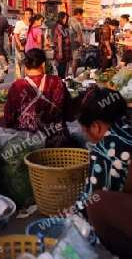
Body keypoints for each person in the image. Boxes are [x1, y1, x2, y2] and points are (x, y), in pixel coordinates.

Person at [72, 86, 132, 258]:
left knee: (96, 206)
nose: (86, 134)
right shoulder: (127, 128)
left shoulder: (104, 150)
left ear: (96, 126)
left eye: (85, 130)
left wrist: (73, 214)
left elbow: (95, 195)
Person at [0, 48, 75, 147]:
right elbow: (70, 116)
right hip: (58, 143)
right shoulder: (57, 82)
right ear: (43, 65)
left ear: (25, 67)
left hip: (27, 146)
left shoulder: (17, 86)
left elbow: (8, 119)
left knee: (0, 121)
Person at [13, 7, 33, 79]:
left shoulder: (32, 24)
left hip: (29, 45)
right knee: (18, 63)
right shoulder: (20, 23)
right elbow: (16, 35)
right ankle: (18, 80)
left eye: (29, 14)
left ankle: (26, 79)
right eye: (26, 14)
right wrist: (20, 45)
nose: (28, 16)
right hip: (20, 44)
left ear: (32, 15)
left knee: (27, 63)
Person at [54, 11, 72, 79]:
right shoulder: (59, 27)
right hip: (61, 51)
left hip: (65, 51)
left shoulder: (64, 27)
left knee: (63, 68)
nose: (65, 20)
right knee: (61, 69)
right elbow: (59, 40)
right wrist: (60, 52)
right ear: (60, 19)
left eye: (66, 19)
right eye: (64, 18)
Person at [68, 8, 83, 77]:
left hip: (68, 42)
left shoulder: (69, 20)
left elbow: (69, 32)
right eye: (81, 15)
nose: (82, 17)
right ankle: (73, 75)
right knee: (75, 60)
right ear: (79, 14)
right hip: (75, 44)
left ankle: (66, 75)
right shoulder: (77, 23)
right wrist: (82, 46)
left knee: (67, 61)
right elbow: (79, 36)